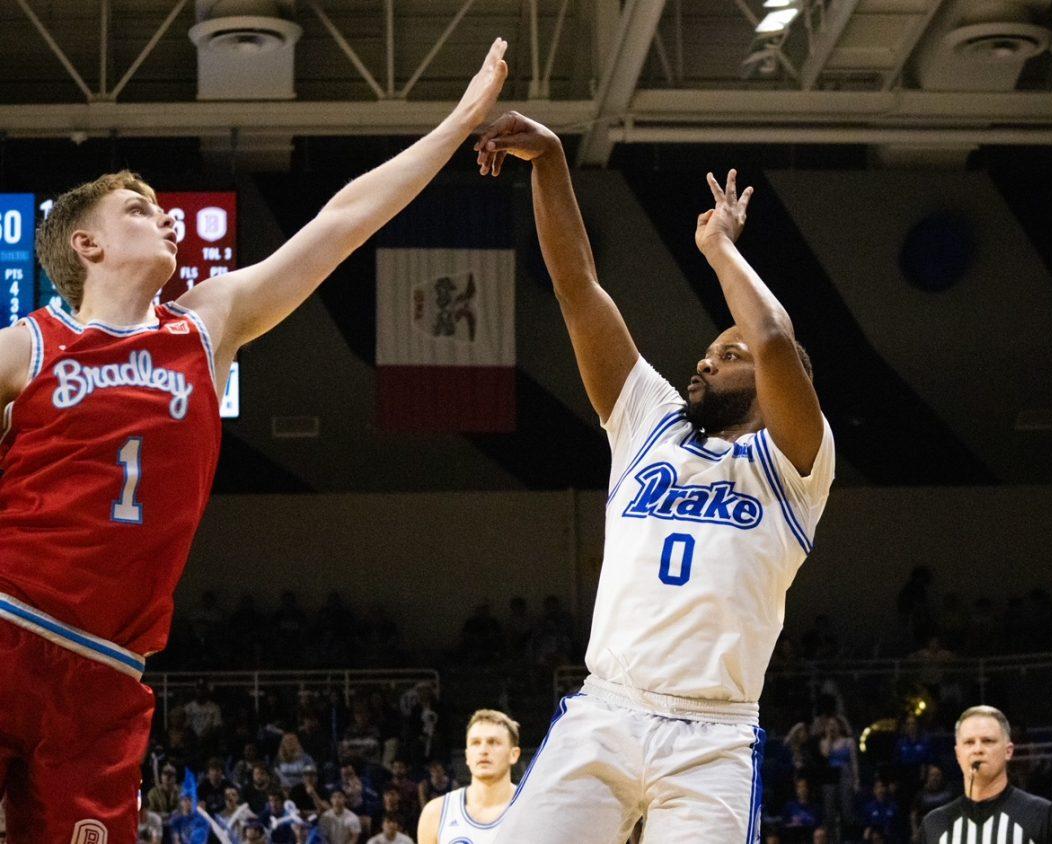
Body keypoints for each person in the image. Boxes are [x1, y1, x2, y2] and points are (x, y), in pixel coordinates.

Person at [0, 38, 509, 842]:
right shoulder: (29, 344)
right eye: (136, 208)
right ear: (86, 246)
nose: (162, 213)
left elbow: (343, 220)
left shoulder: (208, 324)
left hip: (106, 673)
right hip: (10, 625)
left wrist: (456, 124)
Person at [473, 113, 834, 843]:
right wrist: (548, 160)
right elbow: (578, 288)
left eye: (724, 355)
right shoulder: (650, 424)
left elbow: (771, 338)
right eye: (707, 352)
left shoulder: (797, 463)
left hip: (714, 736)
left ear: (776, 382)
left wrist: (718, 248)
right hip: (608, 709)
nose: (705, 361)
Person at [916, 706, 1052, 844]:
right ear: (957, 754)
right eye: (969, 742)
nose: (978, 749)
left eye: (987, 741)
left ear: (1008, 751)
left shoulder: (1043, 816)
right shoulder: (933, 824)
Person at [417, 709, 521, 844]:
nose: (483, 750)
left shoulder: (535, 810)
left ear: (514, 755)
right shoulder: (436, 813)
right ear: (467, 756)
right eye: (475, 743)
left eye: (493, 742)